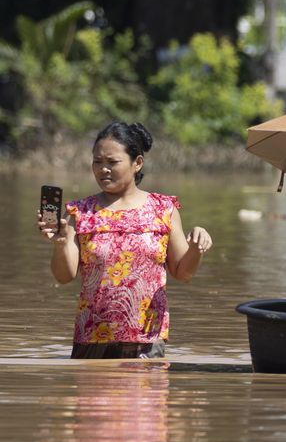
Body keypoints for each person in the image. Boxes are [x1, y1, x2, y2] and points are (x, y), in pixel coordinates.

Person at [36, 121, 213, 359]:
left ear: (137, 163)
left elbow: (183, 273)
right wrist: (59, 245)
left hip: (147, 340)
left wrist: (196, 248)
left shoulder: (163, 209)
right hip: (92, 337)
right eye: (97, 162)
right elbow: (63, 276)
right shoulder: (80, 212)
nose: (103, 169)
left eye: (112, 162)